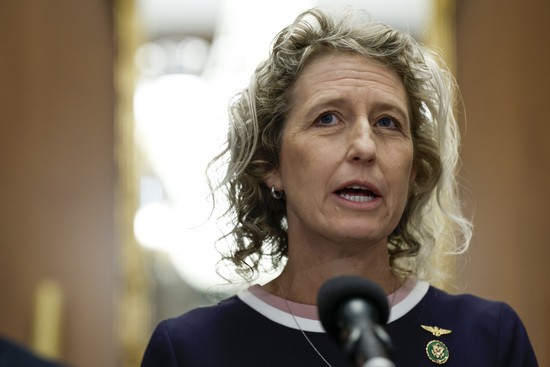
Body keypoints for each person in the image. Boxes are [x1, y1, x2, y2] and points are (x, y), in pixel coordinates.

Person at [141, 7, 538, 366]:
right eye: (328, 119)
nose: (365, 147)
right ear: (271, 165)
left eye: (388, 123)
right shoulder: (190, 350)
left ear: (414, 170)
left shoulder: (490, 339)